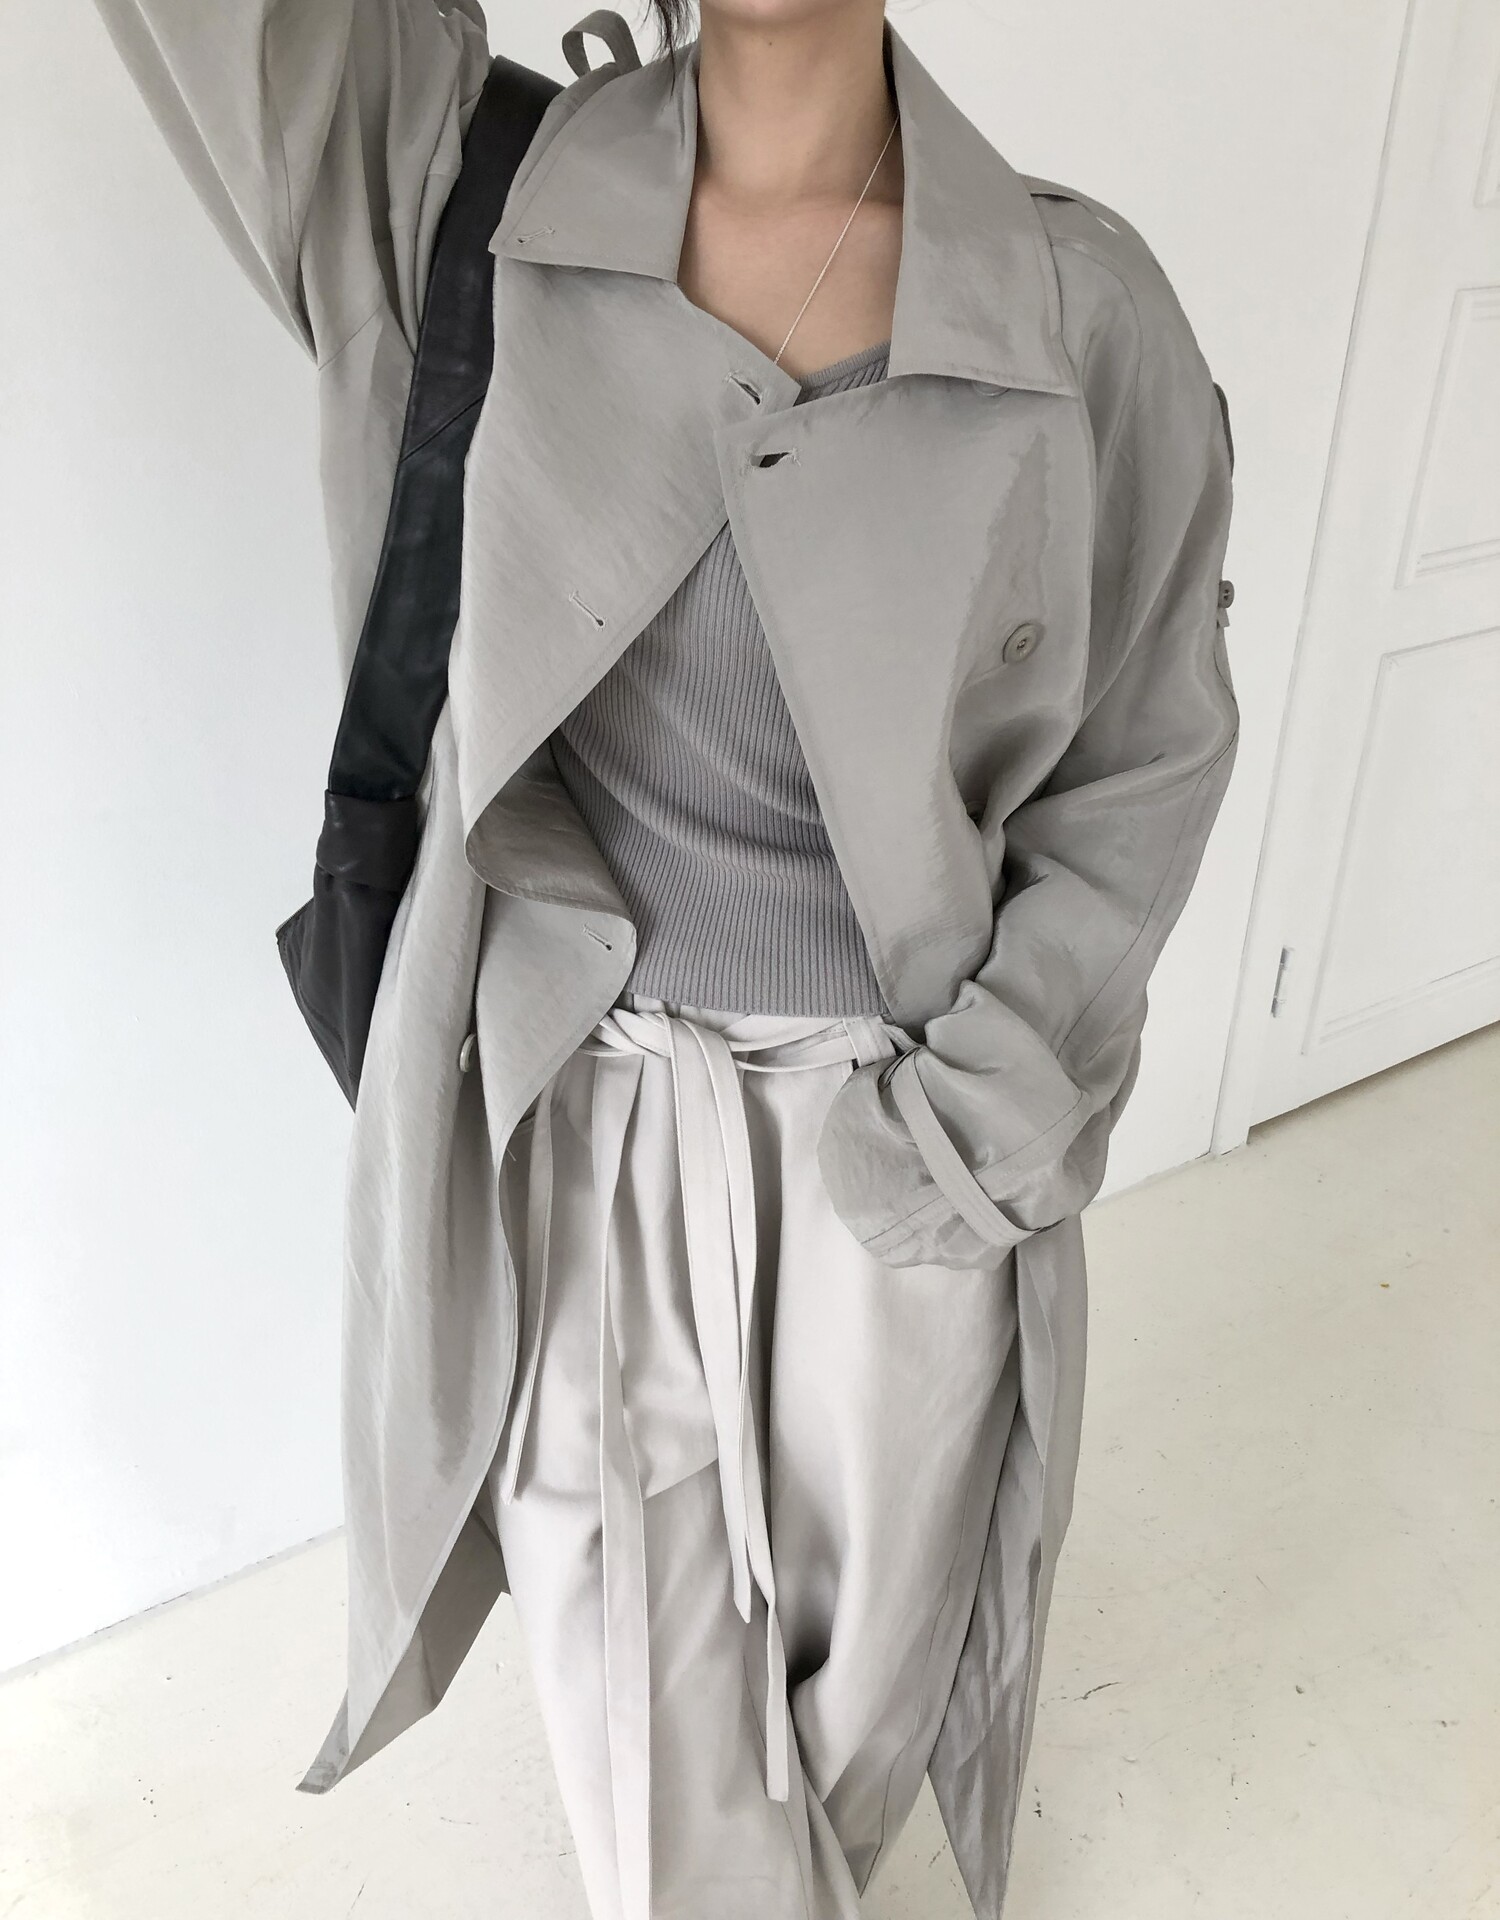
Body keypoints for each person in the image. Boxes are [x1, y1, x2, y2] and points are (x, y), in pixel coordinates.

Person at [93, 1, 1239, 1914]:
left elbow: (1147, 750)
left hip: (913, 1136)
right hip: (596, 1132)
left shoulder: (1074, 309)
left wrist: (982, 1113)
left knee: (858, 1727)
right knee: (651, 1753)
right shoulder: (460, 197)